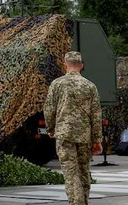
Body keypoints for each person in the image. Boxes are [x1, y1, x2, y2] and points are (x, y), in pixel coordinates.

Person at [43, 51, 103, 205]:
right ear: (81, 66)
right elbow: (96, 115)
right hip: (84, 136)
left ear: (65, 65)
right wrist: (97, 139)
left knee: (71, 174)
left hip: (64, 135)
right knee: (83, 173)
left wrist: (50, 128)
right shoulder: (90, 86)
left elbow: (49, 109)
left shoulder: (57, 84)